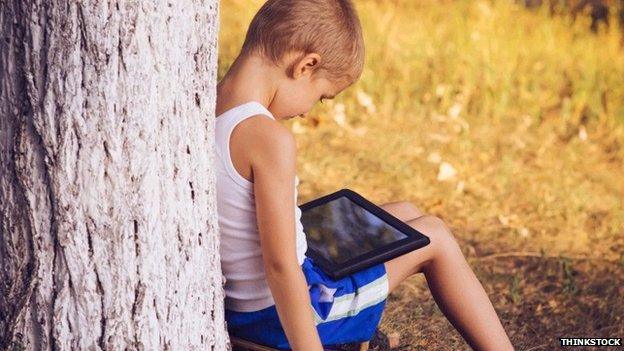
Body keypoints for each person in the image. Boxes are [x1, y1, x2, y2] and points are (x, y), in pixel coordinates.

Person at [215, 0, 515, 350]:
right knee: (435, 237)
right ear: (306, 65)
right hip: (279, 317)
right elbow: (281, 266)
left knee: (403, 214)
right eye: (322, 96)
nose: (308, 111)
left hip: (251, 304)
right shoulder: (269, 139)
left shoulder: (211, 100)